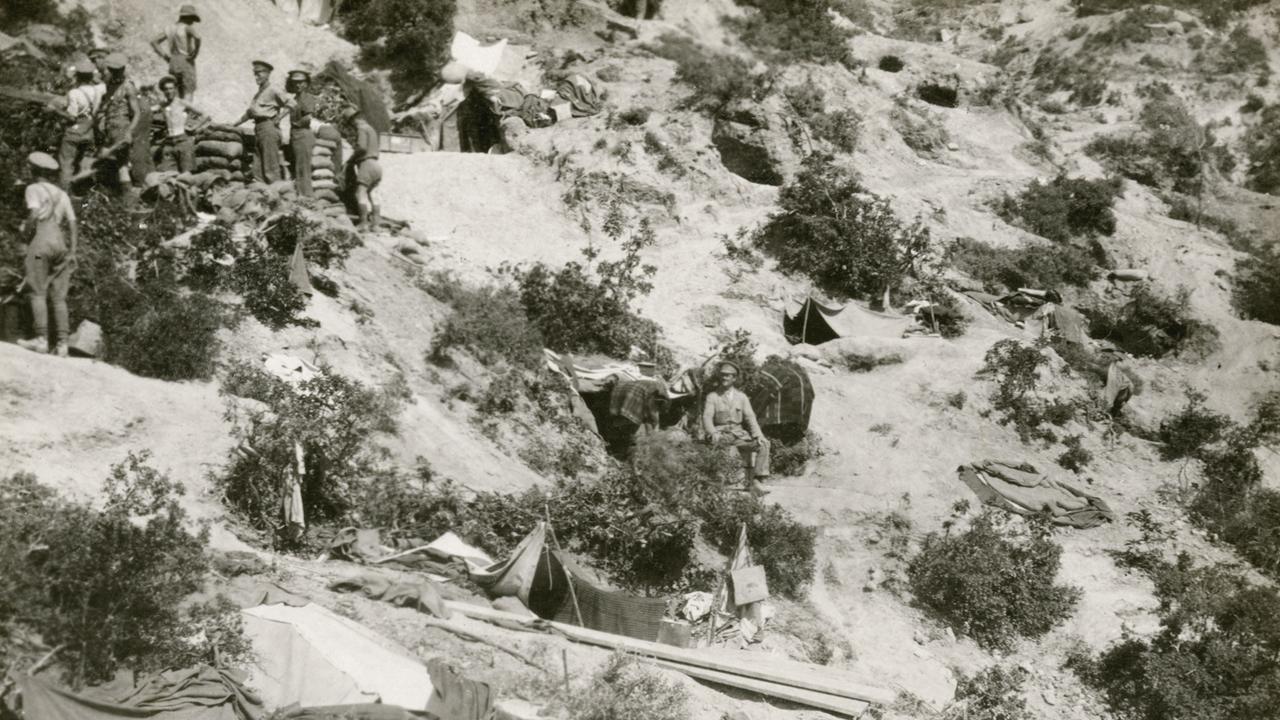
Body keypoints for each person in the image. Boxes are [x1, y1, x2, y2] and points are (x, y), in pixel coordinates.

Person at [16, 153, 78, 357]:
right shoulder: (63, 194)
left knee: (37, 290)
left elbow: (34, 214)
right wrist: (73, 251)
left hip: (41, 240)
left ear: (35, 170)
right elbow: (72, 223)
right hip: (60, 243)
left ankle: (41, 339)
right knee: (59, 297)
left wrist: (25, 234)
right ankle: (62, 344)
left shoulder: (32, 189)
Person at [702, 361, 771, 494]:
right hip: (721, 434)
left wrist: (759, 435)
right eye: (722, 375)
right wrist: (713, 432)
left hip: (739, 435)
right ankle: (719, 485)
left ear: (734, 378)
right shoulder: (713, 396)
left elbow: (750, 418)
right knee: (720, 449)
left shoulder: (742, 397)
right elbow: (707, 417)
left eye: (728, 375)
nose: (724, 378)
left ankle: (757, 481)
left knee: (764, 445)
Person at [236, 60, 289, 183]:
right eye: (255, 73)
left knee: (270, 167)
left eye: (259, 73)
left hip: (268, 128)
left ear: (267, 74)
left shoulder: (273, 90)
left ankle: (277, 196)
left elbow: (291, 103)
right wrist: (233, 125)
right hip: (259, 129)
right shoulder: (258, 94)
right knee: (258, 169)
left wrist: (279, 118)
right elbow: (249, 114)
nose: (256, 76)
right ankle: (263, 196)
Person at [95, 53, 143, 189]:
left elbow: (137, 113)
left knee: (122, 165)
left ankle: (128, 199)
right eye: (112, 70)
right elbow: (106, 106)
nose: (114, 73)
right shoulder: (110, 84)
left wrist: (129, 131)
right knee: (114, 163)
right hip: (110, 128)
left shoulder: (128, 87)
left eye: (116, 70)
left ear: (122, 70)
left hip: (122, 128)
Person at [56, 59, 102, 188]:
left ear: (77, 76)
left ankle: (64, 192)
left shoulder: (74, 93)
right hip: (88, 131)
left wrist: (57, 111)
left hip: (74, 131)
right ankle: (80, 190)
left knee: (66, 163)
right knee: (81, 162)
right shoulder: (96, 91)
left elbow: (72, 116)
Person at [155, 75, 210, 173]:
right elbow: (147, 110)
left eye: (171, 88)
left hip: (183, 141)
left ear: (175, 89)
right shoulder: (162, 105)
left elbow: (205, 115)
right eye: (166, 89)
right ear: (163, 91)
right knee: (168, 174)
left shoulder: (182, 103)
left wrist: (194, 127)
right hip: (169, 143)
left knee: (186, 175)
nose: (169, 91)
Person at [342, 106, 382, 230]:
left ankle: (363, 223)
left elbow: (362, 148)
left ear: (353, 121)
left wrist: (352, 159)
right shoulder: (371, 128)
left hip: (366, 164)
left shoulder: (361, 129)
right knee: (374, 194)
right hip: (376, 164)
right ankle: (376, 224)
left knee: (361, 193)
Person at [150, 4, 201, 99]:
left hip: (173, 62)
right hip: (186, 61)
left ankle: (177, 111)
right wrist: (195, 52)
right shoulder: (187, 27)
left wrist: (165, 56)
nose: (193, 22)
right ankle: (186, 112)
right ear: (188, 17)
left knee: (177, 90)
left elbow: (154, 41)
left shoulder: (169, 28)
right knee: (188, 90)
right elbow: (198, 37)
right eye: (192, 19)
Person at [286, 69, 317, 197]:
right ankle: (301, 195)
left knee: (303, 169)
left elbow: (309, 116)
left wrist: (297, 124)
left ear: (306, 83)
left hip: (303, 135)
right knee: (298, 168)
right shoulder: (296, 98)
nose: (298, 85)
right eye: (295, 82)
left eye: (301, 82)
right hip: (296, 136)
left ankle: (306, 197)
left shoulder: (307, 97)